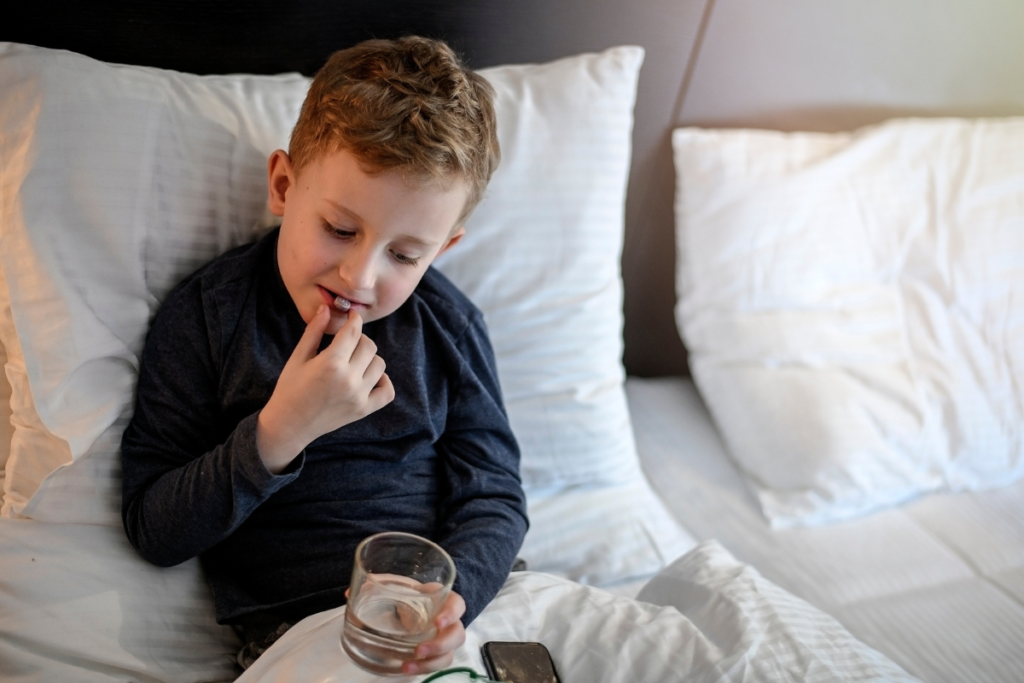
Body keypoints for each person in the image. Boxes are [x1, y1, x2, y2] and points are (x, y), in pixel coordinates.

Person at [120, 36, 529, 675]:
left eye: (404, 255)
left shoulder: (448, 325)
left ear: (442, 250)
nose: (359, 277)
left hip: (467, 612)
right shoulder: (210, 316)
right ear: (284, 185)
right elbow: (154, 529)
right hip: (310, 632)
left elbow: (495, 493)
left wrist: (456, 601)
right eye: (340, 230)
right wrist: (281, 431)